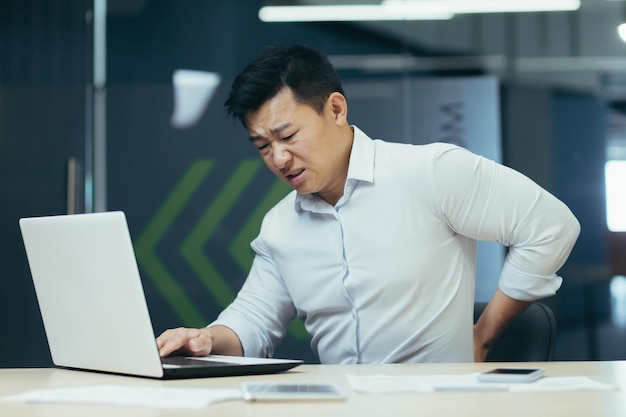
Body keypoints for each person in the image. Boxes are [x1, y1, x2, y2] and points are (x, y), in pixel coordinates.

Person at [156, 44, 580, 364]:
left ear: (335, 109)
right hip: (340, 405)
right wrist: (207, 339)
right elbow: (254, 319)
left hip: (437, 404)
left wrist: (485, 335)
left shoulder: (430, 172)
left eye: (288, 136)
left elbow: (552, 226)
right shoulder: (280, 226)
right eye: (263, 146)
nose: (279, 158)